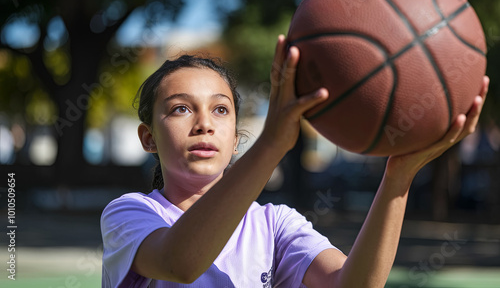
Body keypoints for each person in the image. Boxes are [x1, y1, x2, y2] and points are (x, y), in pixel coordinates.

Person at [100, 35, 489, 288]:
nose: (204, 124)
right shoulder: (131, 214)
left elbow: (352, 285)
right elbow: (181, 263)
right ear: (148, 138)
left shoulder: (274, 224)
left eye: (221, 110)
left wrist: (399, 177)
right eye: (181, 108)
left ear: (235, 140)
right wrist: (271, 145)